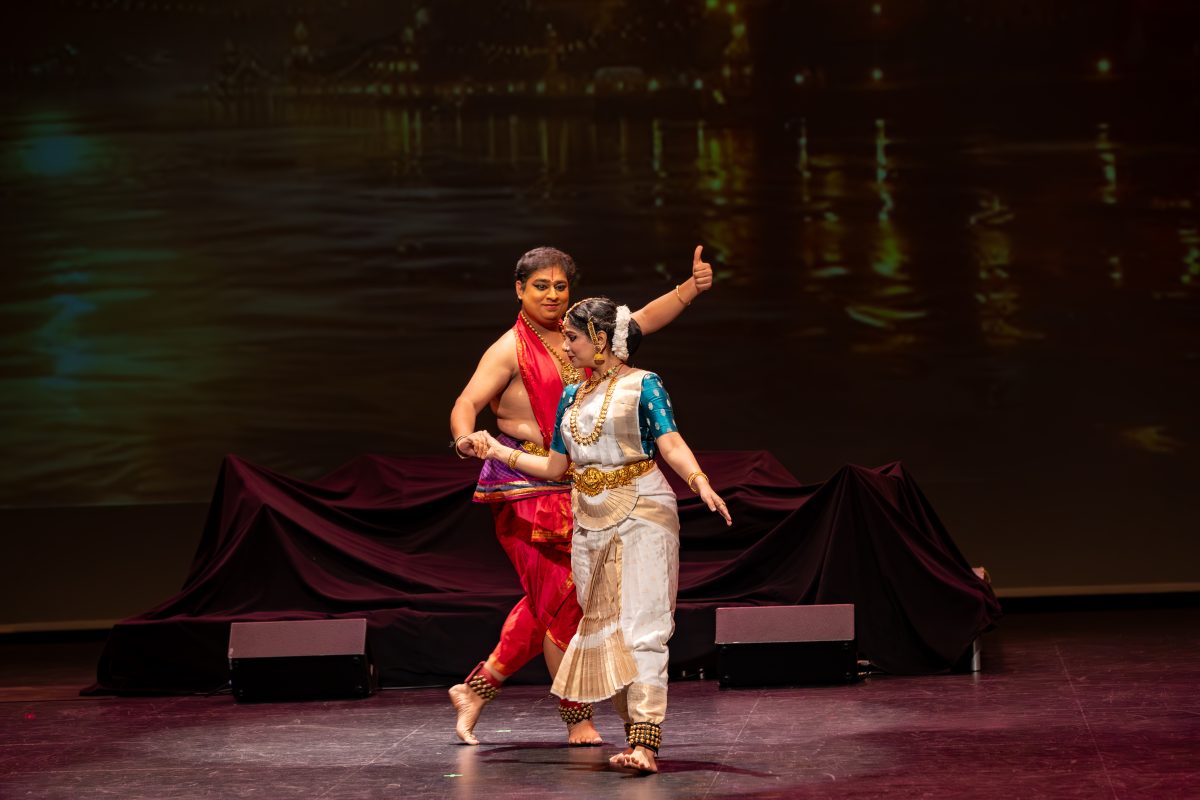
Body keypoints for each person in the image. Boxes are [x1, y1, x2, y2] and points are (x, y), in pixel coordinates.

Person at [448, 246, 713, 747]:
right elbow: (468, 401)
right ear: (519, 290)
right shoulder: (509, 348)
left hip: (577, 481)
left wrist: (690, 289)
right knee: (564, 599)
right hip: (525, 484)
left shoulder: (585, 333)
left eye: (560, 286)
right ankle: (577, 717)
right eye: (540, 286)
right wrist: (465, 439)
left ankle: (477, 689)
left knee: (560, 597)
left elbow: (643, 320)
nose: (552, 295)